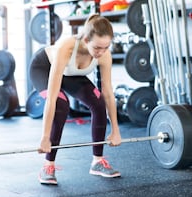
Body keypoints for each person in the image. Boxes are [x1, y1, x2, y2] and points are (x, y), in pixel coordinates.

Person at [29, 13, 122, 185]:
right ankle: (48, 165)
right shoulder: (67, 48)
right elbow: (51, 99)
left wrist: (115, 130)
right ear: (86, 40)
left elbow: (108, 93)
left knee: (99, 102)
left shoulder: (103, 54)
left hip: (70, 73)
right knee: (61, 104)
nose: (101, 53)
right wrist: (45, 137)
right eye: (97, 48)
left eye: (106, 47)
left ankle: (97, 161)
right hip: (43, 67)